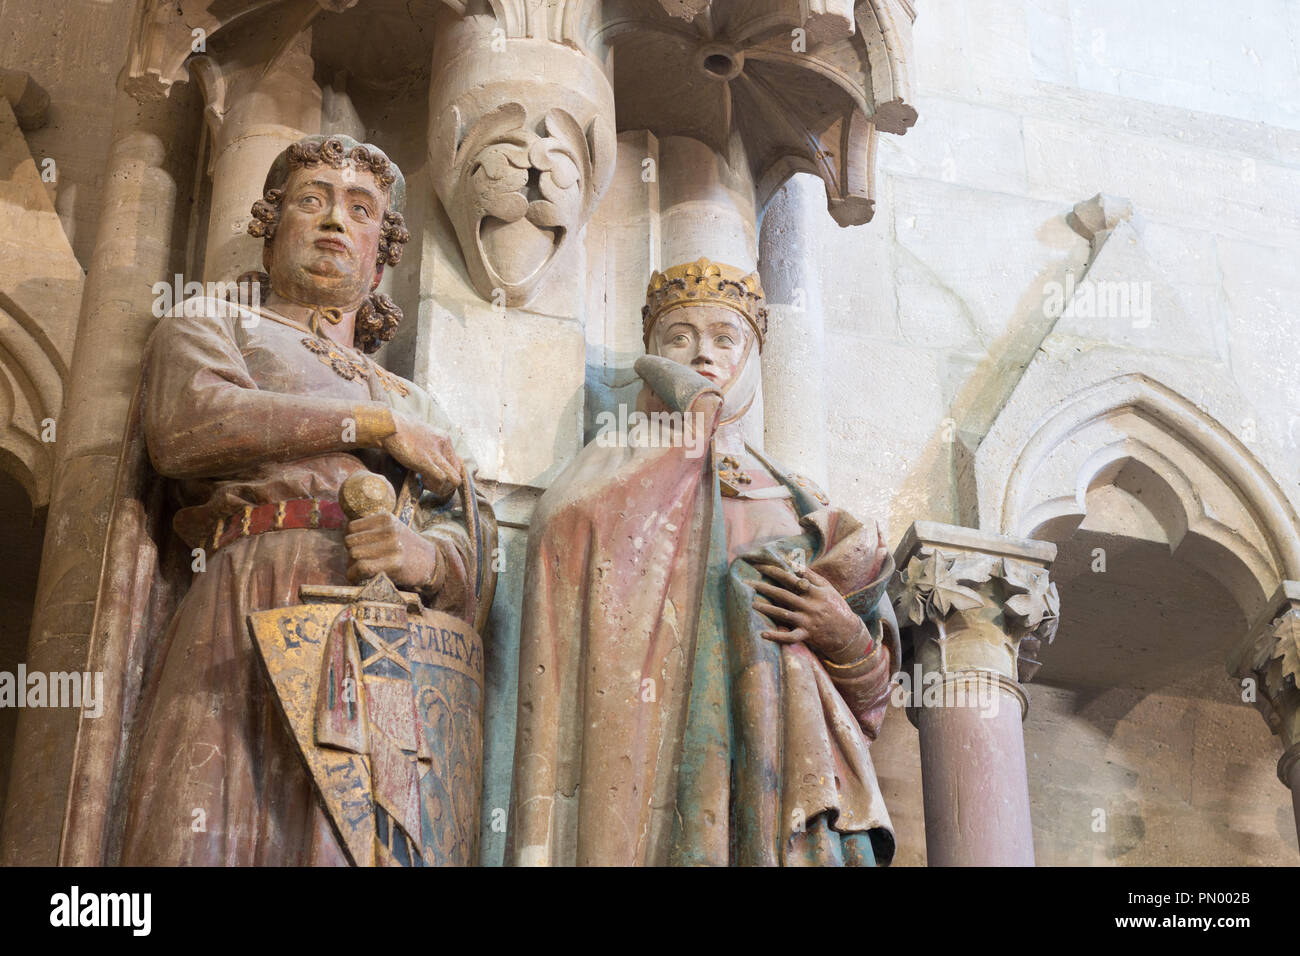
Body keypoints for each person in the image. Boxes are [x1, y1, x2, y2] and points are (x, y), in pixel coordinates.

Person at [86, 134, 496, 865]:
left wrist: (427, 558)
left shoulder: (417, 400)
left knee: (348, 845)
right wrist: (370, 424)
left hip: (380, 636)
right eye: (312, 200)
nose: (335, 219)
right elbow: (188, 425)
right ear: (270, 230)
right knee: (200, 825)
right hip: (244, 594)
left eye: (361, 210)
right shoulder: (211, 324)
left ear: (383, 254)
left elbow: (469, 531)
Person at [508, 257, 898, 866]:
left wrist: (844, 634)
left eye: (725, 338)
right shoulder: (615, 464)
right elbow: (563, 554)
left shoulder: (805, 506)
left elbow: (874, 700)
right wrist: (676, 444)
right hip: (658, 764)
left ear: (756, 360)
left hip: (793, 773)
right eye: (679, 339)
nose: (703, 355)